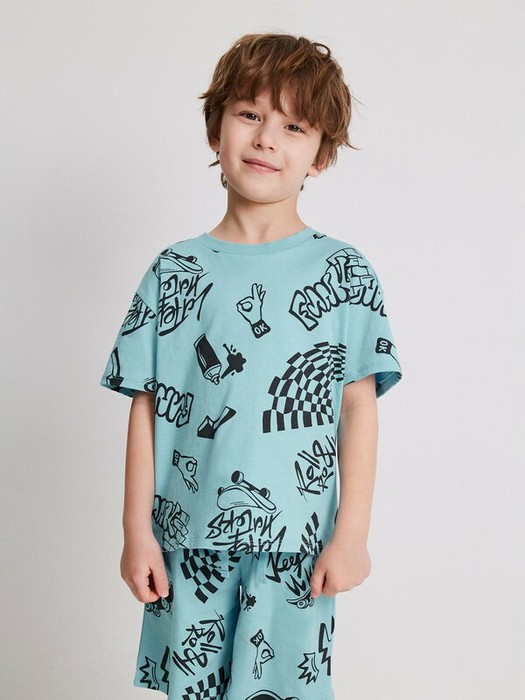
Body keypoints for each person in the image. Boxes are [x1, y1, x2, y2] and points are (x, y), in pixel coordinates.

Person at [100, 32, 403, 700]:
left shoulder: (343, 273)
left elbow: (358, 407)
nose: (267, 138)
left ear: (320, 155)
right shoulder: (173, 271)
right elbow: (146, 406)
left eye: (293, 126)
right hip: (187, 543)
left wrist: (352, 535)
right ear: (216, 130)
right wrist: (135, 532)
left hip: (298, 547)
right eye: (249, 114)